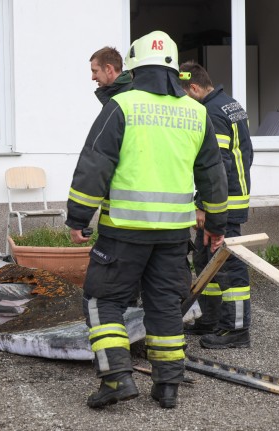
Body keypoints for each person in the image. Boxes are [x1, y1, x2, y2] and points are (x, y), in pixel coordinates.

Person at [67, 31, 228, 409]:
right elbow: (212, 175)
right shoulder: (197, 111)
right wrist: (217, 226)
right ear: (175, 69)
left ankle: (116, 379)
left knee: (102, 301)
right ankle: (167, 386)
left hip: (124, 231)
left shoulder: (122, 106)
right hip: (173, 234)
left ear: (134, 66)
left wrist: (78, 217)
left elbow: (95, 164)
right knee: (165, 306)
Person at [179, 61, 254, 349]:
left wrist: (204, 206)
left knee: (228, 266)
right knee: (205, 260)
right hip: (231, 197)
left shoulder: (210, 112)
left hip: (223, 202)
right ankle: (209, 319)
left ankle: (235, 330)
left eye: (185, 96)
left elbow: (217, 164)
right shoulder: (230, 104)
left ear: (194, 88)